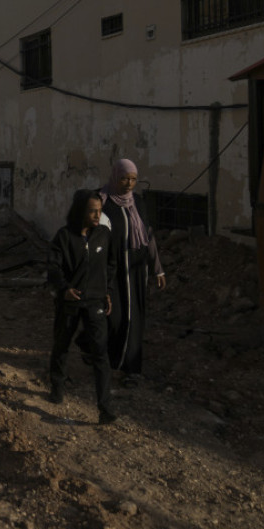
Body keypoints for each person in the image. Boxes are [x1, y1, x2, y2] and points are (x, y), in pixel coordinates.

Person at [48, 189, 117, 425]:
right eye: (92, 211)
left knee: (100, 352)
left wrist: (107, 291)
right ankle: (57, 388)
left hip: (95, 302)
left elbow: (111, 264)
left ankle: (105, 407)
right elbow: (53, 267)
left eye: (99, 211)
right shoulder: (64, 237)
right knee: (62, 344)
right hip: (70, 302)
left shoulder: (104, 235)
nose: (97, 215)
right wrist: (64, 289)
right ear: (81, 211)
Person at [100, 159, 166, 387]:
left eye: (133, 180)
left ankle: (132, 369)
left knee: (135, 319)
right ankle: (108, 360)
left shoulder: (137, 202)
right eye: (124, 179)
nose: (128, 184)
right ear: (115, 177)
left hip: (136, 270)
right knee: (113, 317)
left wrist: (157, 269)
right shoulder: (103, 200)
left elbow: (148, 235)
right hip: (112, 269)